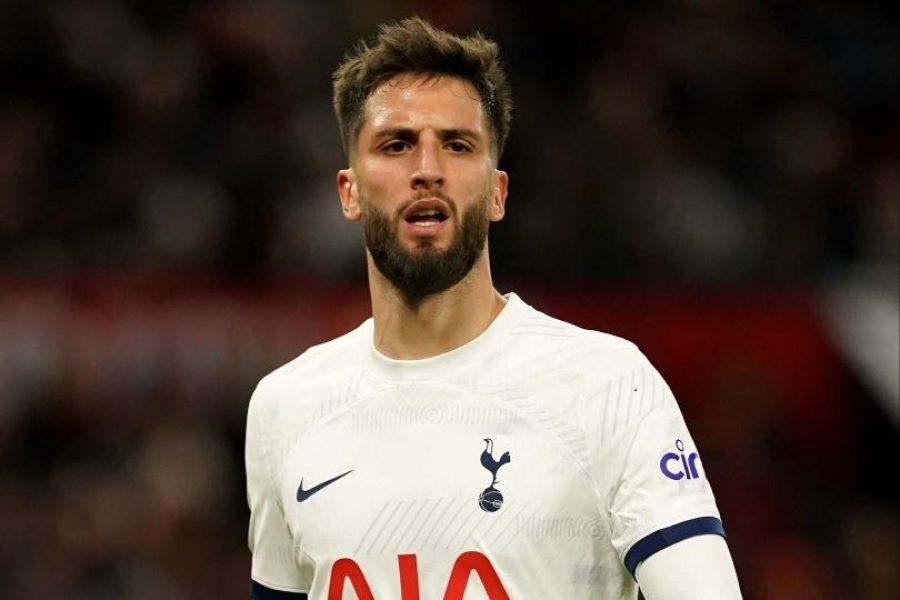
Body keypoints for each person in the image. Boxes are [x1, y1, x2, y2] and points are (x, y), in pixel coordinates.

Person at [246, 17, 743, 600]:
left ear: (497, 192)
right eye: (396, 144)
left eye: (457, 145)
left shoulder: (606, 384)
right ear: (349, 191)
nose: (427, 170)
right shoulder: (286, 407)